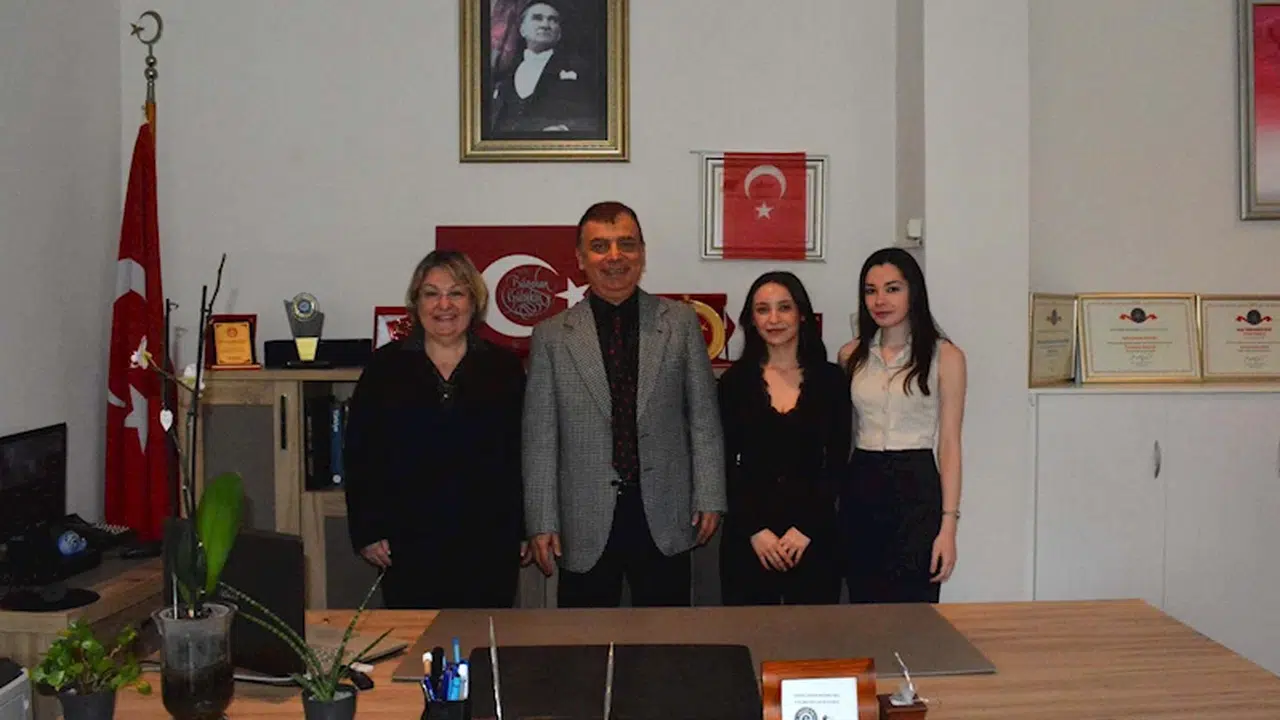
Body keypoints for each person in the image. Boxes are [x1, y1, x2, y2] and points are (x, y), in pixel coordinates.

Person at [523, 201, 726, 608]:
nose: (614, 257)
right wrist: (541, 519)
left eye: (626, 244)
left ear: (642, 253)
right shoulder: (551, 336)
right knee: (585, 639)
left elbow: (703, 419)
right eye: (599, 246)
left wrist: (710, 494)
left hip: (666, 512)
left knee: (667, 636)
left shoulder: (680, 324)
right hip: (583, 518)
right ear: (580, 258)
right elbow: (540, 438)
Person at [343, 250, 531, 609]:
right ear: (416, 303)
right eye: (431, 294)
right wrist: (368, 530)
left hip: (490, 541)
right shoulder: (385, 368)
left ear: (474, 301)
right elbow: (360, 454)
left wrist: (525, 527)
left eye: (456, 293)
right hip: (407, 542)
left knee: (482, 636)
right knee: (417, 639)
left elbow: (523, 453)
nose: (444, 305)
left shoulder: (503, 368)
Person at [837, 248, 967, 604]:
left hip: (916, 485)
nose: (880, 300)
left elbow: (950, 444)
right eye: (871, 291)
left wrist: (948, 526)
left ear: (914, 292)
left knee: (915, 608)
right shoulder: (850, 355)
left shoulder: (946, 356)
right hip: (862, 483)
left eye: (892, 289)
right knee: (864, 603)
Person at [717, 272, 849, 606]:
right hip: (749, 540)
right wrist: (754, 530)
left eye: (784, 308)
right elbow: (722, 465)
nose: (774, 319)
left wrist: (806, 529)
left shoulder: (831, 380)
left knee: (813, 636)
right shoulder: (733, 383)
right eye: (763, 310)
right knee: (747, 633)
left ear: (802, 314)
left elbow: (837, 462)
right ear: (751, 320)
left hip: (813, 538)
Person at [489, 0, 599, 136]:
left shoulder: (579, 70)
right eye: (537, 18)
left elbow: (593, 118)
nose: (545, 25)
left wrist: (565, 129)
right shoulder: (505, 75)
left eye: (553, 20)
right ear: (522, 30)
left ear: (559, 33)